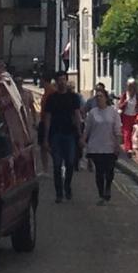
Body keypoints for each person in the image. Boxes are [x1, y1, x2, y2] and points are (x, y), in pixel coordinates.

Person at [42, 70, 83, 203]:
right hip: (55, 135)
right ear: (56, 81)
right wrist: (46, 138)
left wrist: (80, 134)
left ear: (66, 80)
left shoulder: (73, 97)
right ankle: (59, 193)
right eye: (59, 79)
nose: (62, 82)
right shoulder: (52, 98)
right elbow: (47, 118)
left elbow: (77, 115)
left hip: (70, 134)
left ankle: (67, 186)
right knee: (57, 164)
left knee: (70, 162)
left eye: (64, 79)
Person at [83, 88, 121, 202]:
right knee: (99, 171)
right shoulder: (92, 113)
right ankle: (101, 193)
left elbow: (118, 130)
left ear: (106, 98)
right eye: (97, 96)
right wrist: (83, 140)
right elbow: (87, 129)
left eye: (101, 96)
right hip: (96, 147)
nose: (99, 98)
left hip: (109, 146)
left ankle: (108, 187)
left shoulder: (113, 112)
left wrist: (117, 145)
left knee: (109, 170)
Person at [118, 78, 138, 154]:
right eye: (130, 86)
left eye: (133, 86)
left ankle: (135, 148)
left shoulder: (137, 95)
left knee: (135, 133)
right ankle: (128, 148)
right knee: (127, 133)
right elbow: (120, 105)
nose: (131, 88)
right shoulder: (125, 94)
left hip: (135, 116)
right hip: (126, 116)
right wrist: (125, 102)